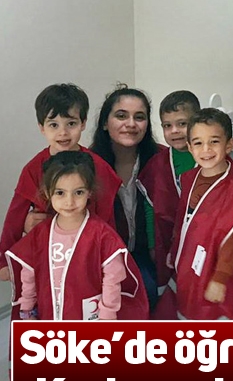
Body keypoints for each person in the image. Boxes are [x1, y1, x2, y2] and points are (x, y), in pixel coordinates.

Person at [0, 83, 122, 317]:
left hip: (86, 253)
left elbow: (108, 217)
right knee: (47, 304)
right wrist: (3, 259)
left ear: (83, 123)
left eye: (71, 124)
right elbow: (15, 215)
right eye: (53, 125)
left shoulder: (98, 167)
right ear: (41, 127)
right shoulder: (33, 168)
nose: (63, 133)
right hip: (48, 253)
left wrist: (108, 254)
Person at [6, 151, 148, 321]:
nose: (69, 202)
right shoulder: (39, 234)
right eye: (60, 193)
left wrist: (107, 317)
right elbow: (29, 275)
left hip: (90, 321)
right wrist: (27, 310)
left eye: (78, 192)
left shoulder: (102, 235)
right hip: (49, 317)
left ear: (90, 192)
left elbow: (112, 279)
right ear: (47, 193)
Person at [170, 108, 233, 320]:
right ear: (190, 147)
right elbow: (183, 220)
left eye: (214, 141)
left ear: (229, 145)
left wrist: (220, 278)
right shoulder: (190, 179)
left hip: (219, 276)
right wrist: (174, 250)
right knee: (189, 314)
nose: (206, 149)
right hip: (190, 268)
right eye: (198, 143)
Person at [90, 84, 161, 309]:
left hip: (148, 254)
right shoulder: (87, 165)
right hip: (103, 258)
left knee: (150, 293)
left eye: (139, 117)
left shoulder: (162, 160)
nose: (131, 124)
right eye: (121, 116)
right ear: (105, 122)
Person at [138, 90, 199, 319]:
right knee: (172, 301)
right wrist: (153, 245)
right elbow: (150, 207)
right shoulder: (158, 164)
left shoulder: (209, 157)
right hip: (168, 242)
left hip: (204, 243)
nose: (174, 131)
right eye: (167, 125)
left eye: (182, 123)